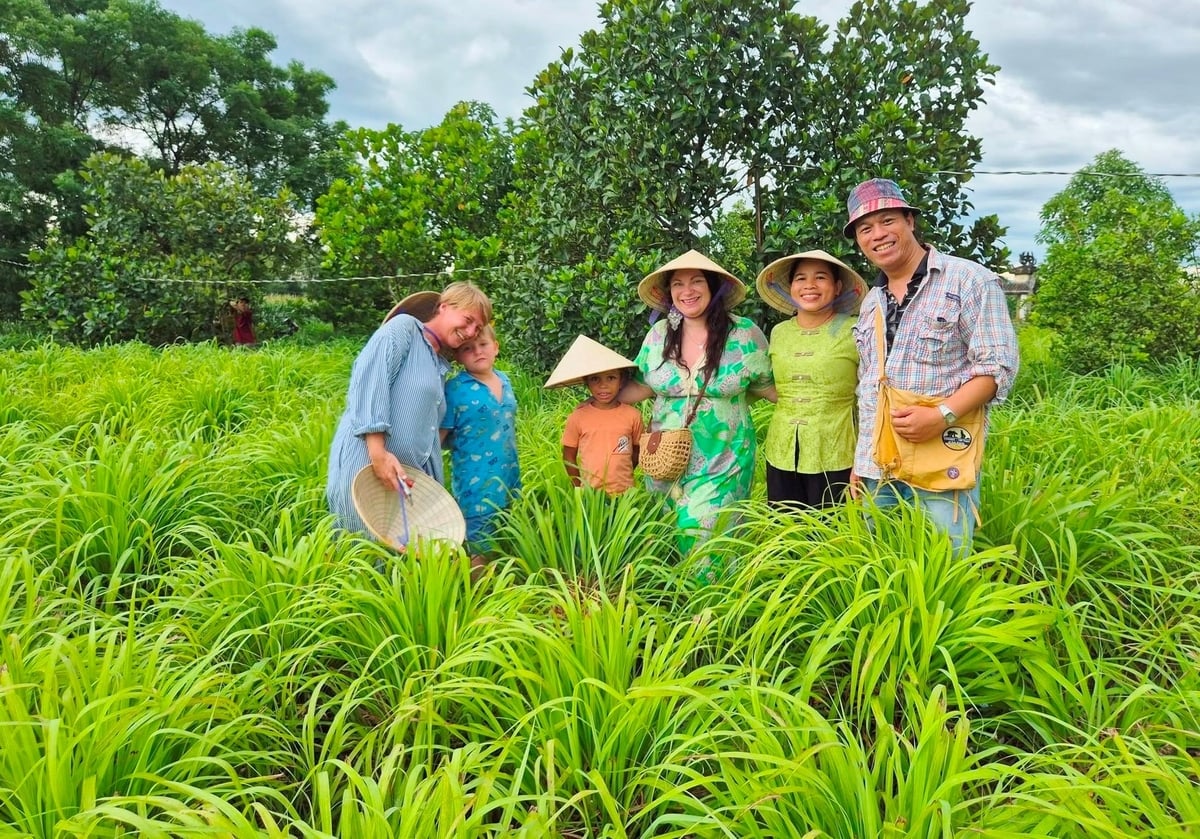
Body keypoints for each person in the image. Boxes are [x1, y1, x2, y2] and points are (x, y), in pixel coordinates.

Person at [844, 178, 1018, 554]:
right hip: (879, 464)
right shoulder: (872, 300)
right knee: (879, 558)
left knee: (947, 561)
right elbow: (869, 385)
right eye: (865, 228)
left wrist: (941, 415)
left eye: (887, 220)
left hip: (943, 454)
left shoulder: (970, 280)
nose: (878, 234)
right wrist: (861, 460)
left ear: (910, 220)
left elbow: (996, 368)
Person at [619, 250, 775, 580]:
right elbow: (643, 387)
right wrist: (595, 391)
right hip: (665, 461)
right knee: (669, 539)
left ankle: (710, 618)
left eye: (696, 281)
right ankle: (679, 612)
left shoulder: (744, 335)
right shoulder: (659, 335)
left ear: (713, 287)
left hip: (724, 460)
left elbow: (769, 387)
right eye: (678, 284)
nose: (687, 291)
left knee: (704, 538)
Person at [325, 282, 492, 536]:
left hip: (401, 480)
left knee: (399, 563)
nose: (470, 332)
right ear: (444, 307)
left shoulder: (439, 364)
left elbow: (427, 434)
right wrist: (378, 453)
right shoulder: (404, 329)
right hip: (366, 464)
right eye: (467, 320)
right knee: (360, 551)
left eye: (477, 328)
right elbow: (371, 381)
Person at [755, 249, 867, 509]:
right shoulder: (779, 332)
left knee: (832, 535)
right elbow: (763, 380)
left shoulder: (856, 330)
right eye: (801, 279)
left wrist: (864, 458)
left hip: (836, 450)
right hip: (781, 450)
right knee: (785, 533)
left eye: (820, 277)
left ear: (837, 287)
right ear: (791, 287)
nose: (810, 286)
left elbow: (870, 393)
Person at [440, 324, 521, 563]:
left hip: (508, 476)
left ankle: (502, 585)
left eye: (483, 345)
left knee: (504, 533)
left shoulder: (504, 380)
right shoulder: (455, 389)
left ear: (496, 348)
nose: (478, 352)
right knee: (480, 543)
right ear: (457, 356)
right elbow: (440, 436)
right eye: (468, 348)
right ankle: (479, 592)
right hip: (475, 481)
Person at [544, 335, 645, 495]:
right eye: (595, 379)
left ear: (622, 381)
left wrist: (623, 474)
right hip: (590, 495)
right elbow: (568, 456)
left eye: (611, 378)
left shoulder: (633, 416)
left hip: (626, 494)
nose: (603, 385)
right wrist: (578, 487)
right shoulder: (578, 417)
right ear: (587, 382)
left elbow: (637, 450)